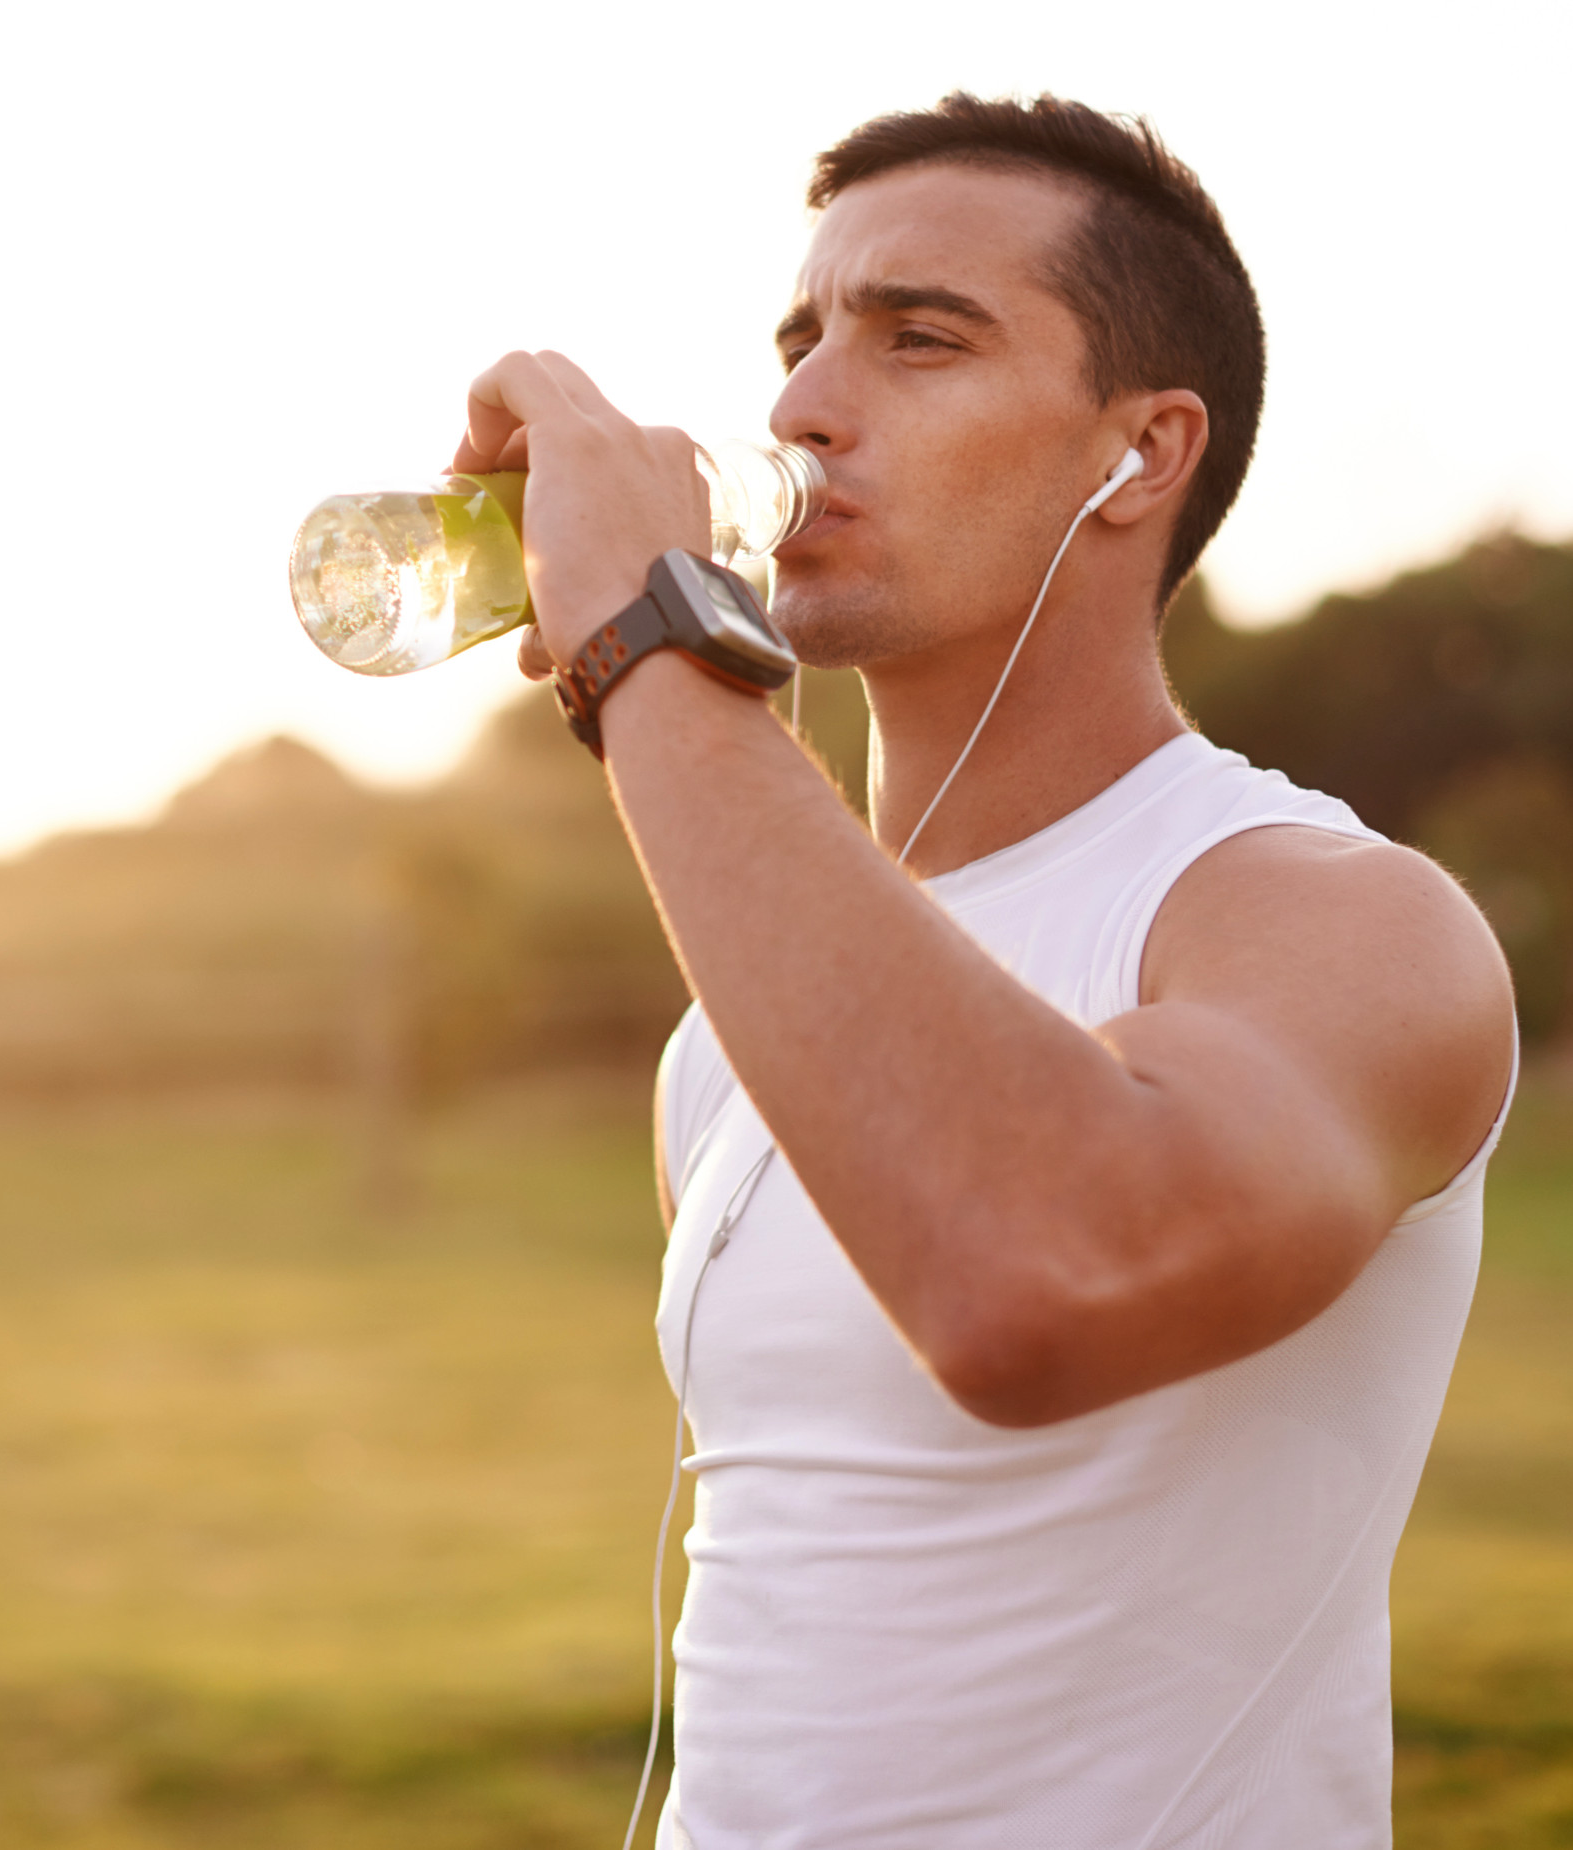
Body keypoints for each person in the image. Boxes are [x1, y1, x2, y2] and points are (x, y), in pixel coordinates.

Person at [459, 94, 1518, 1847]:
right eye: (799, 342)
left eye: (919, 338)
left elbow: (1031, 1277)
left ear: (1141, 455)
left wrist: (648, 642)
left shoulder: (1337, 916)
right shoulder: (722, 1045)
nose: (801, 405)